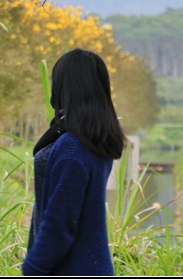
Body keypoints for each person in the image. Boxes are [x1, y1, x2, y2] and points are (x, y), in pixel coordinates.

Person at [22, 48, 126, 276]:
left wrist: (32, 269)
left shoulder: (72, 149)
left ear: (64, 88)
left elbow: (59, 224)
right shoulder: (95, 140)